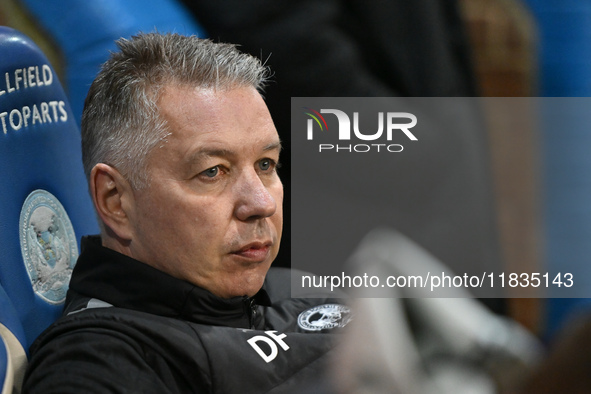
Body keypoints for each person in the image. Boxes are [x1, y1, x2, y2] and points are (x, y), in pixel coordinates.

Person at [22, 32, 348, 393]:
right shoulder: (96, 364)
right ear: (116, 201)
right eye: (213, 171)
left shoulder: (298, 288)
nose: (261, 203)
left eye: (266, 164)